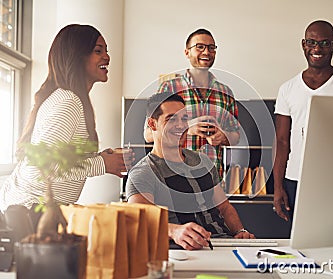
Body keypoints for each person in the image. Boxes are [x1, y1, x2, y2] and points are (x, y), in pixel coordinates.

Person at [0, 24, 134, 212]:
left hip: (38, 209)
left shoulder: (70, 99)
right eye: (98, 51)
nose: (107, 57)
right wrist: (101, 164)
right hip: (29, 211)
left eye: (106, 51)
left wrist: (103, 158)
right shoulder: (68, 102)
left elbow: (60, 157)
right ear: (76, 57)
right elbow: (45, 164)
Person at [128, 93, 254, 250]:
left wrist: (240, 232)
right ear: (152, 124)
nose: (181, 125)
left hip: (223, 244)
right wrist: (174, 231)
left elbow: (224, 207)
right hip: (185, 249)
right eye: (171, 119)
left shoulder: (203, 161)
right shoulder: (143, 173)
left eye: (184, 119)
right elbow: (138, 219)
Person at [273, 20, 333, 222]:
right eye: (312, 42)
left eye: (325, 43)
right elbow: (282, 142)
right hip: (295, 181)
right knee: (299, 249)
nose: (317, 48)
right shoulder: (288, 89)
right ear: (303, 44)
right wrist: (278, 187)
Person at [144, 28, 240, 178]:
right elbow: (148, 134)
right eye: (200, 47)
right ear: (187, 52)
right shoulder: (169, 87)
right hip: (174, 176)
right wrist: (187, 127)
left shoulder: (226, 92)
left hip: (213, 178)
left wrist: (223, 136)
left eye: (211, 48)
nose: (206, 52)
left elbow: (236, 136)